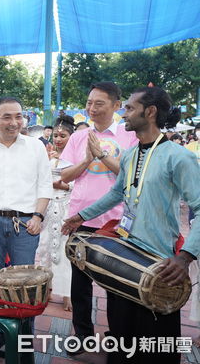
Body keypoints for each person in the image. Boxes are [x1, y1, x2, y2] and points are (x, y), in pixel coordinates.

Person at [62, 86, 200, 364]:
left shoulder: (179, 156)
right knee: (123, 329)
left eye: (130, 109)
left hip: (160, 262)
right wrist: (81, 216)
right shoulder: (130, 153)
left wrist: (185, 257)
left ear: (150, 113)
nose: (124, 113)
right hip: (125, 254)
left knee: (156, 342)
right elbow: (116, 194)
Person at [0, 97, 53, 352]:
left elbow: (44, 185)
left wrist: (38, 217)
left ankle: (22, 338)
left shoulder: (35, 147)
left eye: (19, 116)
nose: (14, 122)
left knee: (24, 284)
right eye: (7, 117)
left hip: (25, 225)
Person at [59, 82, 138, 351]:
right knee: (80, 286)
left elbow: (130, 178)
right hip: (80, 220)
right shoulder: (79, 137)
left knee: (117, 287)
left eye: (99, 103)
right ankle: (83, 337)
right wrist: (86, 159)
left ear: (117, 105)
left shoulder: (130, 136)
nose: (91, 108)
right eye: (89, 102)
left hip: (116, 223)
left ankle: (117, 339)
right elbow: (64, 176)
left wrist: (102, 155)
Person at [36, 115, 75, 311]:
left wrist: (57, 184)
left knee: (65, 251)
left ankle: (67, 293)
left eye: (63, 135)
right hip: (48, 207)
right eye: (56, 136)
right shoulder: (46, 157)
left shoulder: (77, 158)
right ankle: (47, 288)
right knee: (44, 248)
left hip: (67, 208)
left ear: (72, 136)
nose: (58, 139)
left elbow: (78, 185)